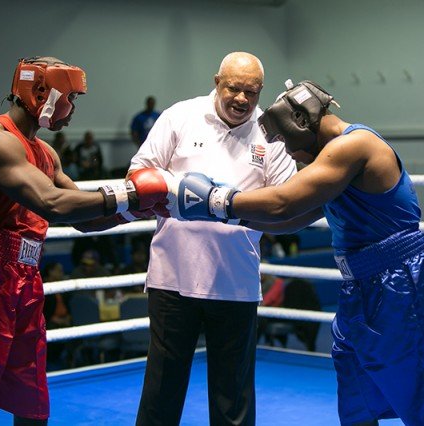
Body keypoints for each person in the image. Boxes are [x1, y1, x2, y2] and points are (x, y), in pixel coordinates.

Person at [160, 80, 424, 425]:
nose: (285, 149)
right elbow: (291, 220)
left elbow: (284, 203)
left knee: (423, 407)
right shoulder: (332, 162)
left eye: (284, 138)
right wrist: (227, 215)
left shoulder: (354, 145)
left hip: (402, 282)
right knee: (356, 401)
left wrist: (215, 200)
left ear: (300, 120)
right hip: (359, 285)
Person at [0, 56, 168, 426]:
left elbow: (84, 218)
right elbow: (52, 203)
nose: (74, 109)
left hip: (23, 279)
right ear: (42, 94)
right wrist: (131, 194)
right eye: (71, 97)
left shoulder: (47, 153)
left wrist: (147, 207)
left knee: (31, 406)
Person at [126, 52, 298, 426]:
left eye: (251, 92)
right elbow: (139, 175)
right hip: (173, 277)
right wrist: (184, 192)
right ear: (217, 81)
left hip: (235, 282)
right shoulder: (180, 116)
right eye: (234, 88)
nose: (242, 99)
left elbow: (287, 200)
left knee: (232, 399)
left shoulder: (271, 133)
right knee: (161, 393)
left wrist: (225, 206)